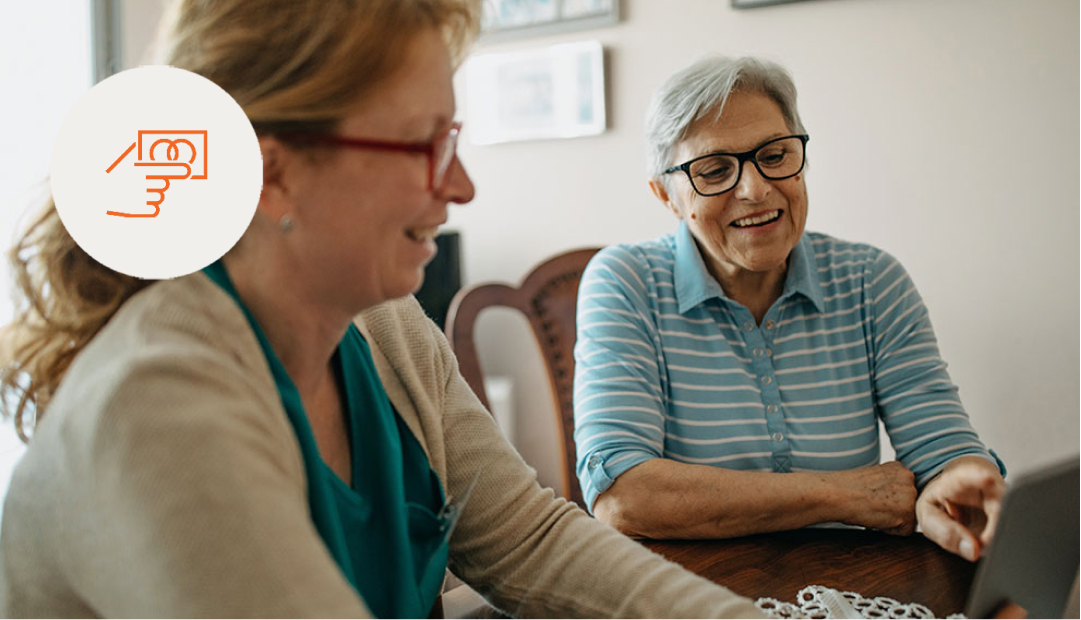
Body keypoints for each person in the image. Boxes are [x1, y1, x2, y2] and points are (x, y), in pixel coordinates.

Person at [0, 3, 765, 617]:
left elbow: (530, 541)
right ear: (271, 173)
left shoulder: (384, 326)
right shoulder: (158, 406)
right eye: (425, 146)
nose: (461, 185)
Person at [573, 55, 1006, 563]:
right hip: (685, 590)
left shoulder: (870, 281)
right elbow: (623, 496)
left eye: (775, 155)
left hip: (849, 584)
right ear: (666, 196)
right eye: (714, 170)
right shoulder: (625, 281)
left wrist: (964, 482)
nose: (755, 189)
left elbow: (944, 451)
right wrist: (847, 494)